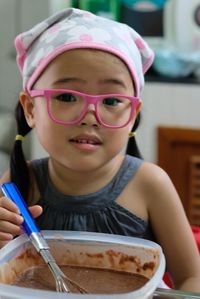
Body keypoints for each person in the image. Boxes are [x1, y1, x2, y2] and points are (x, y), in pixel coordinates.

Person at [0, 7, 200, 292]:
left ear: (132, 113)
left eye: (111, 101)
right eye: (67, 96)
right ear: (31, 108)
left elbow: (192, 278)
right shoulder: (18, 184)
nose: (89, 115)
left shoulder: (151, 185)